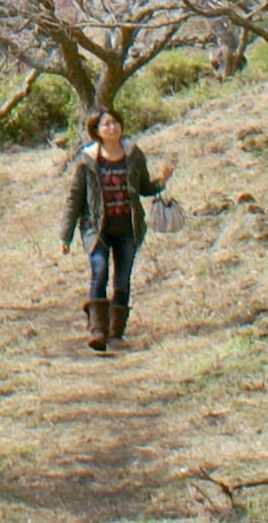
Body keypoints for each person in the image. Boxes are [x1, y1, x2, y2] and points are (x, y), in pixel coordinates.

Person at [60, 109, 174, 353]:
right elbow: (75, 198)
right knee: (99, 270)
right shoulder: (87, 159)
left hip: (127, 227)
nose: (112, 128)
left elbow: (143, 187)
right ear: (97, 131)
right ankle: (97, 330)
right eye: (106, 124)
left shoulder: (133, 154)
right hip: (96, 227)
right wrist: (65, 236)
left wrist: (161, 182)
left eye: (115, 123)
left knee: (122, 279)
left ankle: (115, 333)